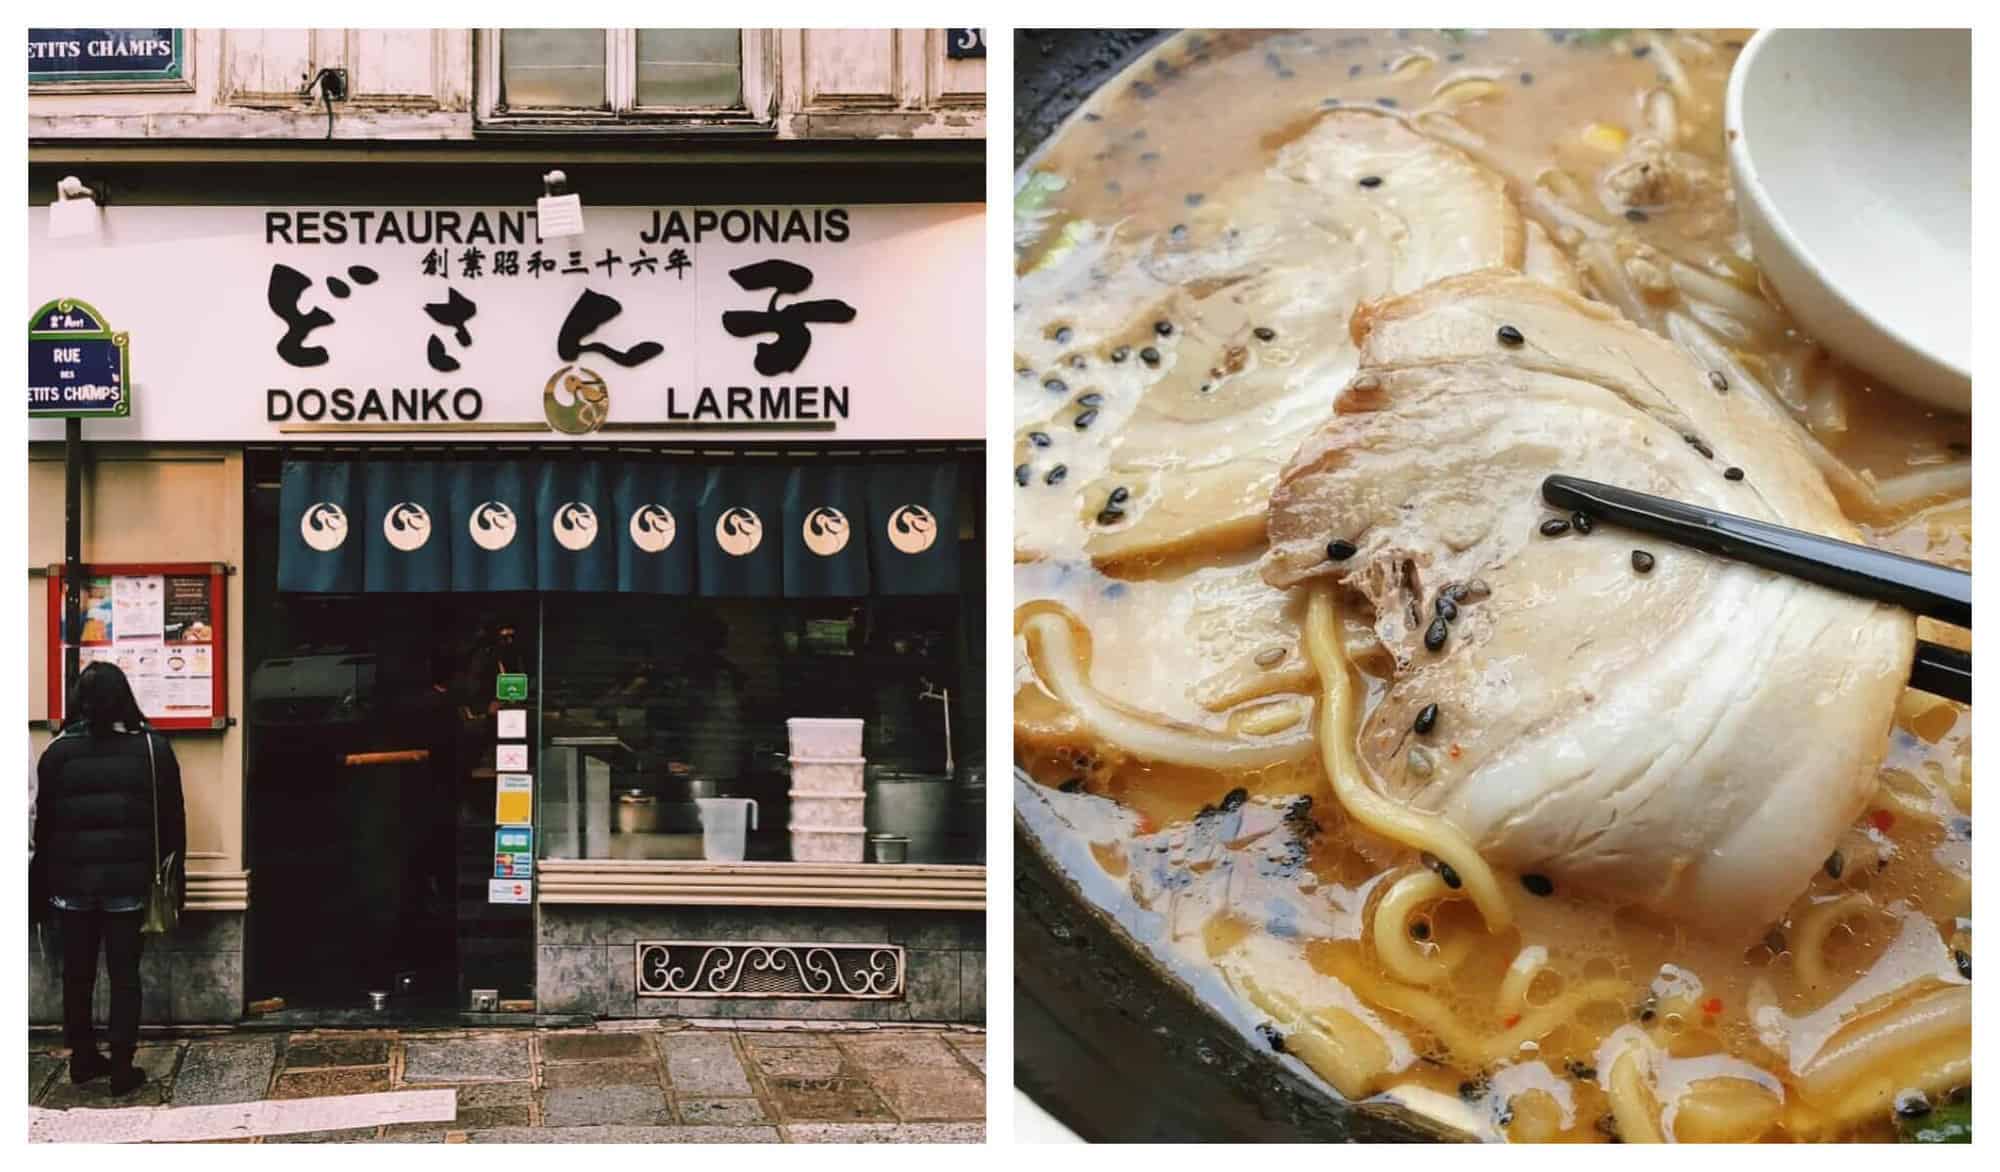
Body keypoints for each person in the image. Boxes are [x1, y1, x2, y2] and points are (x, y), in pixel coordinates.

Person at [32, 662, 185, 1093]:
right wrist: (178, 883)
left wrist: (42, 886)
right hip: (129, 885)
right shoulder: (153, 750)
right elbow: (173, 821)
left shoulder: (58, 753)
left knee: (77, 976)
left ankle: (82, 1058)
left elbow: (43, 826)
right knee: (125, 975)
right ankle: (122, 1066)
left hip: (71, 885)